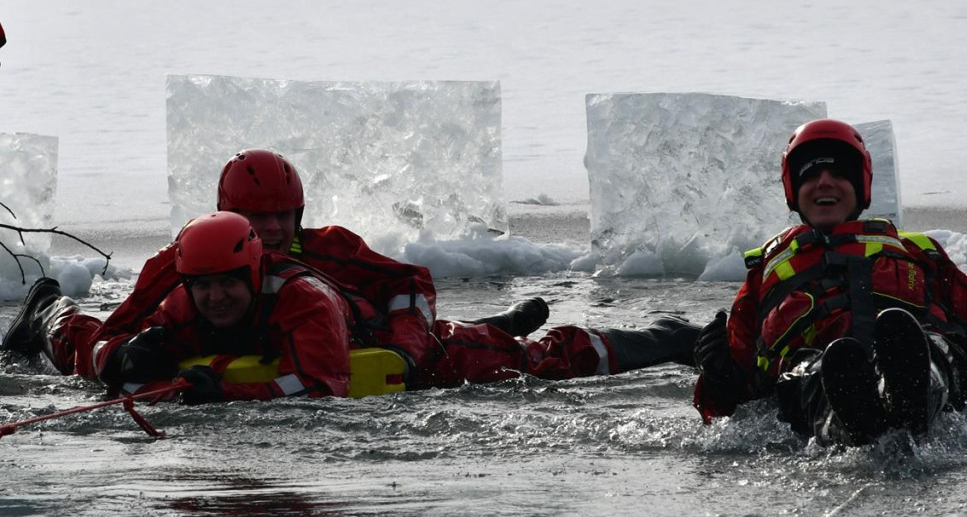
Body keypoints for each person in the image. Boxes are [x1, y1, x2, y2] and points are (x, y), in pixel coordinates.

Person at [4, 149, 700, 392]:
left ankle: (668, 337)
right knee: (77, 344)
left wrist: (405, 350)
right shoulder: (194, 262)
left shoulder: (321, 263)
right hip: (281, 341)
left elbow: (410, 290)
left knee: (528, 360)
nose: (274, 234)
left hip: (368, 334)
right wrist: (115, 352)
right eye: (260, 221)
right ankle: (43, 311)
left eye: (284, 220)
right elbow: (120, 327)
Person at [692, 118, 967, 446]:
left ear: (860, 186)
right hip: (821, 371)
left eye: (839, 174)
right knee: (817, 372)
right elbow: (727, 401)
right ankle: (843, 420)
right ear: (793, 189)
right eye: (810, 175)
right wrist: (717, 374)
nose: (824, 183)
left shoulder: (918, 251)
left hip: (924, 353)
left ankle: (915, 397)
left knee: (932, 349)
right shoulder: (764, 270)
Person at [99, 211, 352, 403]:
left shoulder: (307, 302)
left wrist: (223, 394)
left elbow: (320, 389)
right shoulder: (179, 307)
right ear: (188, 287)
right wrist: (121, 357)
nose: (216, 297)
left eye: (228, 282)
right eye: (203, 285)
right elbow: (124, 384)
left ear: (253, 276)